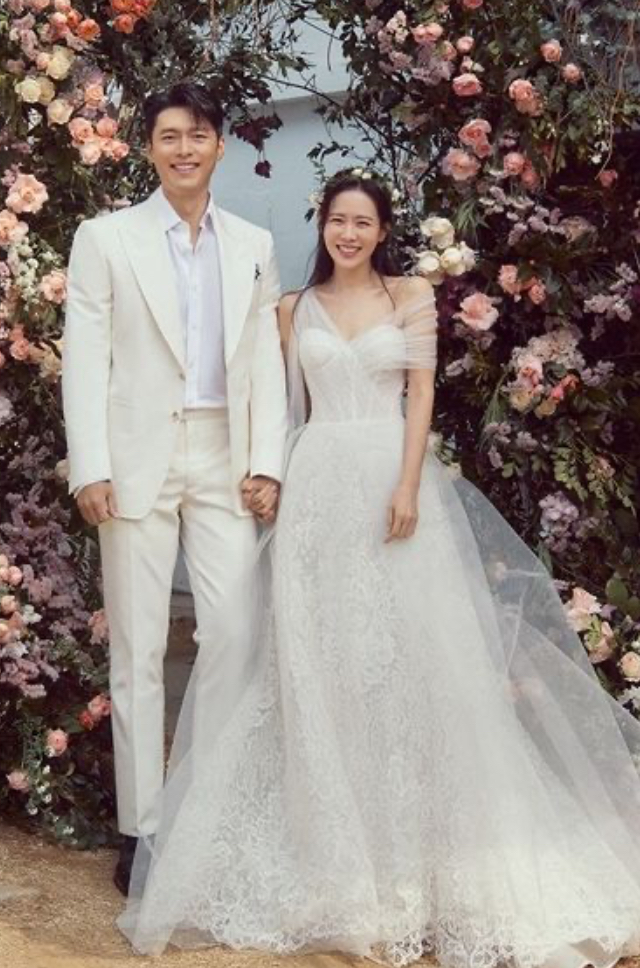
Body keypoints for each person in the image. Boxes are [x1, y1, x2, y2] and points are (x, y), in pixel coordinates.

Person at [119, 169, 640, 968]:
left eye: (363, 222)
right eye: (338, 220)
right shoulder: (291, 309)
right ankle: (336, 858)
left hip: (391, 483)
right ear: (322, 226)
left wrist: (406, 485)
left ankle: (417, 854)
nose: (349, 233)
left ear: (383, 230)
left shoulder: (411, 296)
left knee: (408, 663)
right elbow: (276, 405)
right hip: (316, 490)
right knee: (320, 664)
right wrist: (268, 476)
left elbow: (421, 394)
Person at [61, 81, 287, 895]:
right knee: (139, 648)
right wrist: (91, 465)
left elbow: (265, 359)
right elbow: (86, 357)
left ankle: (206, 812)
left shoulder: (253, 243)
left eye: (197, 135)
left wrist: (268, 460)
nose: (183, 149)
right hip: (135, 459)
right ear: (150, 148)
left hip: (225, 453)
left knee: (231, 631)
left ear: (220, 145)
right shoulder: (107, 238)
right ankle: (144, 829)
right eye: (168, 136)